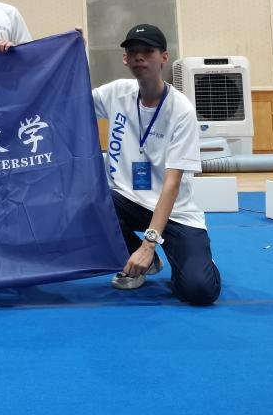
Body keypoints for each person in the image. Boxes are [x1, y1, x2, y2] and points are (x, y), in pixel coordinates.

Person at [91, 24, 221, 306]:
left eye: (148, 51)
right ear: (125, 59)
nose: (139, 57)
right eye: (133, 52)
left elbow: (172, 184)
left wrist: (149, 244)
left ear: (164, 57)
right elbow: (69, 100)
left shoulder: (181, 110)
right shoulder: (116, 93)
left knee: (200, 292)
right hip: (127, 201)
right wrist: (71, 53)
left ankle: (193, 260)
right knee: (87, 201)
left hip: (173, 212)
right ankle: (141, 261)